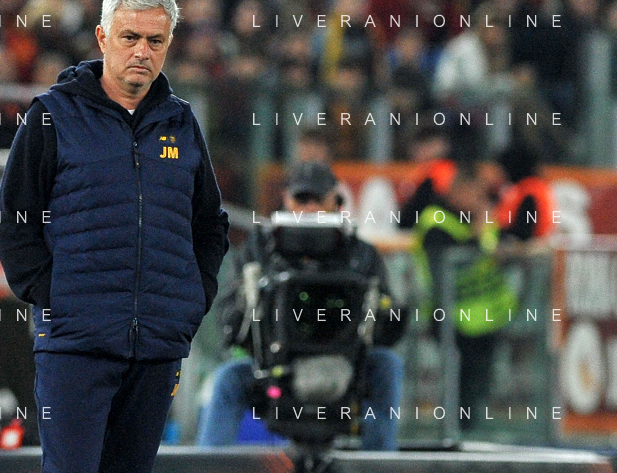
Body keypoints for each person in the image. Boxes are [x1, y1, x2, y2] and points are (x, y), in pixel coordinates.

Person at [0, 0, 228, 473]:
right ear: (101, 38)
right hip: (75, 341)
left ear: (169, 45)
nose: (141, 52)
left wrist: (186, 307)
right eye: (129, 37)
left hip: (155, 344)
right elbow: (14, 223)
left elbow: (209, 228)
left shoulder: (180, 123)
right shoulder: (51, 116)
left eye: (155, 40)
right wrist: (53, 300)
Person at [196, 161, 404, 450]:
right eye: (301, 198)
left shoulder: (361, 254)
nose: (310, 208)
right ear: (286, 198)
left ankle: (378, 470)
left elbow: (389, 323)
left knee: (387, 365)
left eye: (318, 199)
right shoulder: (259, 250)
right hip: (274, 367)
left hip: (348, 367)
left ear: (336, 200)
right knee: (227, 379)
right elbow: (229, 321)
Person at [409, 161, 517, 429]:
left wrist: (506, 246)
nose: (480, 201)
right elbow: (447, 260)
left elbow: (504, 242)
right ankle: (458, 429)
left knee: (481, 377)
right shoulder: (436, 219)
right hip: (449, 315)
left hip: (488, 315)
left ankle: (474, 426)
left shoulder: (480, 217)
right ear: (458, 192)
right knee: (461, 378)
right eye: (475, 195)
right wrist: (479, 238)